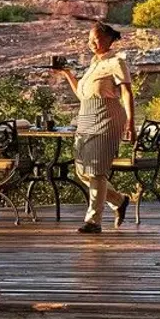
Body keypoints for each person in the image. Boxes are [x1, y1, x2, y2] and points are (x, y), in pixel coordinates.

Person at [53, 21, 135, 233]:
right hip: (87, 117)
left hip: (107, 117)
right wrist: (67, 74)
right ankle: (119, 200)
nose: (91, 43)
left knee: (97, 170)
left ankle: (93, 221)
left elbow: (127, 92)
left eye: (95, 39)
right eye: (89, 40)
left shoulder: (116, 62)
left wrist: (131, 122)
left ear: (108, 39)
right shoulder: (94, 64)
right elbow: (83, 95)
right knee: (82, 170)